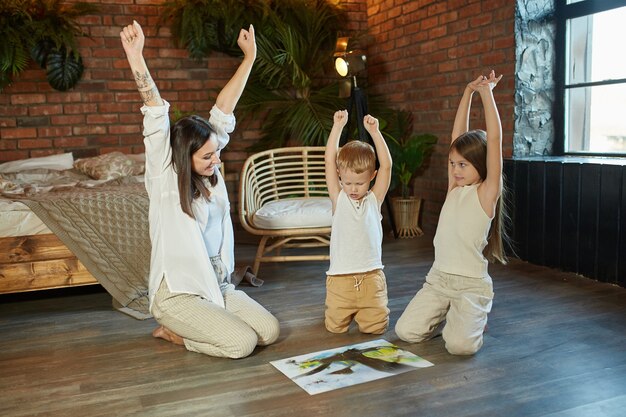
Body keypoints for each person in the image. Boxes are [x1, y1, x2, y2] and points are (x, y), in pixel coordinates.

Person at [120, 20, 279, 358]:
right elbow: (153, 108)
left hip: (217, 284)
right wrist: (136, 56)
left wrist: (249, 58)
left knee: (269, 332)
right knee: (241, 343)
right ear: (183, 157)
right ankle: (174, 333)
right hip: (179, 292)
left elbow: (224, 109)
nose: (216, 160)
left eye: (217, 152)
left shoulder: (210, 164)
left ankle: (210, 323)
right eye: (208, 156)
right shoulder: (166, 177)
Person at [395, 70, 508, 355]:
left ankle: (472, 318)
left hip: (470, 286)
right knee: (405, 332)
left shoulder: (486, 193)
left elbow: (494, 139)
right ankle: (449, 315)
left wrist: (486, 94)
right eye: (452, 163)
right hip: (439, 280)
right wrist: (467, 92)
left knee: (459, 347)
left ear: (480, 165)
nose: (455, 170)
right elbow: (457, 136)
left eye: (463, 165)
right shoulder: (453, 189)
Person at [324, 110, 393, 334]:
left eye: (360, 183)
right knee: (335, 329)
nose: (353, 189)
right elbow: (328, 159)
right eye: (348, 182)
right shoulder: (339, 197)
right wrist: (337, 128)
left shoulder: (374, 199)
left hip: (371, 278)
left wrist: (375, 132)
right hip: (340, 281)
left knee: (377, 328)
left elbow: (387, 166)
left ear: (372, 176)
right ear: (339, 176)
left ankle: (367, 314)